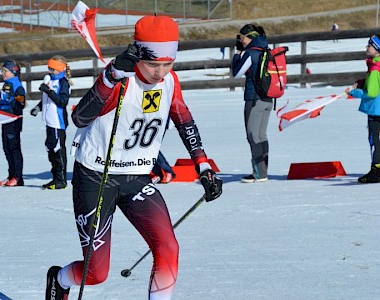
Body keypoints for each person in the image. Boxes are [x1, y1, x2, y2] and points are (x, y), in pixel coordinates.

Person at [45, 15, 222, 300]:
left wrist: (203, 164)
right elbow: (79, 117)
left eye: (168, 63)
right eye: (153, 63)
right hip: (96, 178)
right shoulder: (118, 79)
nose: (160, 72)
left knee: (168, 247)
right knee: (96, 273)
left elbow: (184, 120)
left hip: (136, 179)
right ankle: (60, 278)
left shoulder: (170, 81)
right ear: (137, 54)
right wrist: (110, 76)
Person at [231, 24, 272, 183]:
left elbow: (236, 73)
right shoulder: (265, 50)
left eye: (242, 38)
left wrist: (237, 54)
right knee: (261, 135)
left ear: (251, 37)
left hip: (254, 99)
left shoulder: (251, 53)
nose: (241, 41)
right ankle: (263, 171)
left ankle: (259, 173)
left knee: (252, 135)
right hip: (268, 99)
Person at [30, 55, 72, 190]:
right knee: (50, 148)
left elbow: (62, 101)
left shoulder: (63, 83)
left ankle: (61, 180)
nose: (50, 71)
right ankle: (55, 178)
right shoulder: (49, 80)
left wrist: (48, 91)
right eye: (49, 68)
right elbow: (46, 99)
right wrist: (38, 107)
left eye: (52, 69)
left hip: (57, 122)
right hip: (48, 121)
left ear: (59, 69)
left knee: (57, 149)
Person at [345, 34, 380, 184]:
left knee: (374, 140)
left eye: (369, 45)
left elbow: (371, 92)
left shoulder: (375, 69)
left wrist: (353, 92)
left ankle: (376, 171)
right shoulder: (376, 67)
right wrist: (361, 82)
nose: (367, 47)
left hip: (375, 109)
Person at [0, 60, 26, 187]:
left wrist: (10, 100)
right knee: (6, 148)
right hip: (5, 121)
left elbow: (21, 104)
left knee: (14, 149)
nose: (3, 73)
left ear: (13, 72)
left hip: (14, 122)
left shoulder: (18, 86)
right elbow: (4, 104)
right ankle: (11, 175)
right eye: (2, 71)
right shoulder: (6, 85)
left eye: (5, 71)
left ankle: (18, 177)